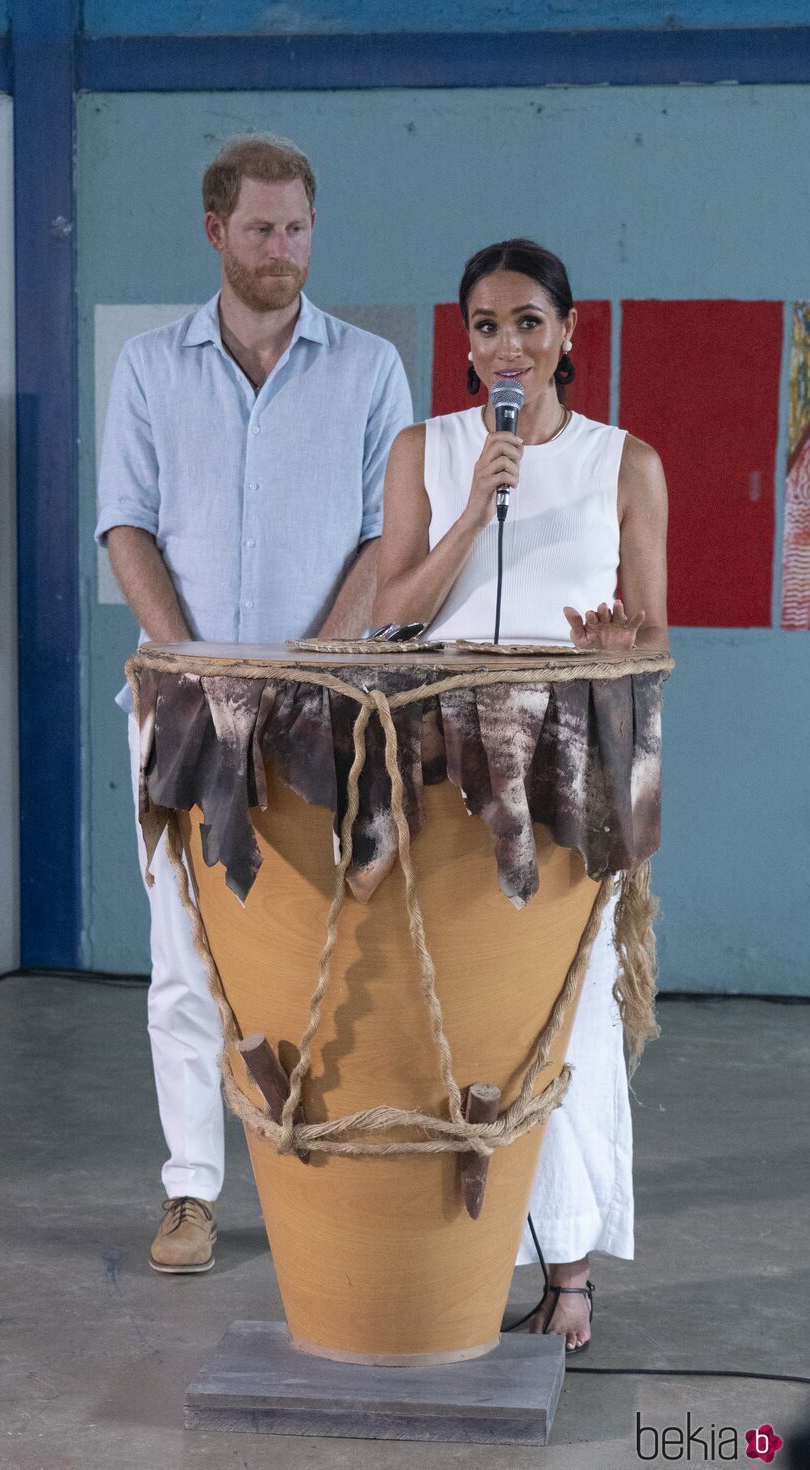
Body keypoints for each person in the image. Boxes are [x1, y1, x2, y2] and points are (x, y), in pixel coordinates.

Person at [94, 135, 412, 1275]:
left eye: (297, 229)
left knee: (327, 953)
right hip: (177, 707)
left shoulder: (370, 368)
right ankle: (190, 1194)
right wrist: (194, 668)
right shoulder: (146, 367)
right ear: (214, 231)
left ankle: (310, 1175)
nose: (281, 251)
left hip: (322, 712)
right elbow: (124, 523)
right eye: (260, 229)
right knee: (183, 955)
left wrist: (305, 671)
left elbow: (389, 535)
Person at [373, 237, 669, 1351]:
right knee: (451, 1013)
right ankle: (452, 1257)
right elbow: (391, 610)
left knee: (568, 1015)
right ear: (464, 344)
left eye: (529, 323)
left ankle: (572, 1274)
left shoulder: (624, 462)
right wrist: (469, 511)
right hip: (441, 764)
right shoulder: (427, 450)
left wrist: (610, 652)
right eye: (487, 325)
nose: (509, 343)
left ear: (568, 335)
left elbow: (653, 642)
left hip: (574, 768)